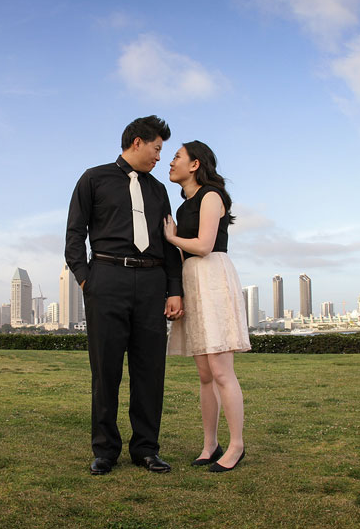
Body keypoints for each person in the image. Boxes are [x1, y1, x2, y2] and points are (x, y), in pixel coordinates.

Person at [65, 115, 184, 476]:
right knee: (106, 371)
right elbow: (74, 234)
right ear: (137, 142)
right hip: (107, 279)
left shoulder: (158, 190)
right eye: (157, 148)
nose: (160, 157)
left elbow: (168, 244)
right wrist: (87, 280)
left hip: (151, 283)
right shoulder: (93, 179)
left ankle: (146, 449)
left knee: (150, 371)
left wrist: (174, 290)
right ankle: (105, 451)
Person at [164, 140, 250, 472]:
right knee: (204, 374)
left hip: (213, 277)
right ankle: (210, 444)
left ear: (195, 164)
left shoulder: (211, 196)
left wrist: (171, 238)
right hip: (192, 282)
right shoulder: (184, 205)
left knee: (221, 370)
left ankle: (237, 445)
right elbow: (186, 256)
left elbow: (203, 245)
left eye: (176, 157)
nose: (170, 162)